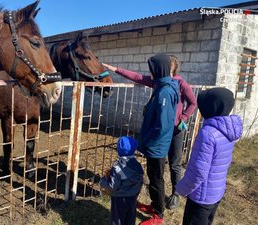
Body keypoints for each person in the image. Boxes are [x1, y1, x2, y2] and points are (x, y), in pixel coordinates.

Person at [103, 53, 179, 225]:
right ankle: (155, 206)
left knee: (156, 179)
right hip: (155, 144)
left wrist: (148, 143)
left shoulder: (165, 92)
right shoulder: (162, 85)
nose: (149, 72)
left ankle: (158, 215)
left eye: (152, 69)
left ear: (159, 69)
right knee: (153, 177)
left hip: (156, 147)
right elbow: (137, 77)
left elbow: (163, 125)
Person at [176, 87, 243, 225]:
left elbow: (198, 171)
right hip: (216, 193)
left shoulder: (208, 134)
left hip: (201, 197)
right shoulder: (229, 130)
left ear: (210, 108)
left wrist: (182, 188)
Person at [166, 56, 197, 209]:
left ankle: (175, 193)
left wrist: (182, 118)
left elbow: (193, 102)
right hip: (162, 129)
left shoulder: (181, 83)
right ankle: (156, 191)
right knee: (157, 160)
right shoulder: (160, 82)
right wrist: (115, 69)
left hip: (176, 130)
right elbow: (138, 77)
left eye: (166, 65)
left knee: (174, 163)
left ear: (172, 68)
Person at [99, 136, 144, 225]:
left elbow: (112, 187)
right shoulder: (138, 166)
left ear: (118, 150)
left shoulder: (117, 167)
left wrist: (103, 181)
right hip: (132, 198)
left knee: (117, 219)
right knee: (130, 218)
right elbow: (140, 182)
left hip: (119, 199)